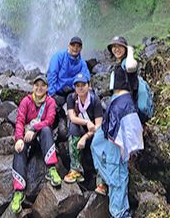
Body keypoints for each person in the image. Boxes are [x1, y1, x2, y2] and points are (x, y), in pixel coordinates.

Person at [91, 36, 144, 217]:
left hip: (124, 109)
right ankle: (110, 180)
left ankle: (120, 212)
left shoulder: (128, 63)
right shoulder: (116, 66)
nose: (116, 49)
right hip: (114, 107)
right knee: (96, 144)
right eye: (113, 47)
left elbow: (131, 67)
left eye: (119, 46)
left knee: (117, 160)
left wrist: (130, 50)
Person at [10, 74, 61, 213]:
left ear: (47, 88)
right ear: (33, 87)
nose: (39, 88)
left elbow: (49, 120)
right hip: (27, 136)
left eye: (42, 85)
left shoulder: (50, 102)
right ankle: (19, 191)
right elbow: (20, 120)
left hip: (41, 136)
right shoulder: (26, 101)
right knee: (19, 149)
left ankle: (51, 169)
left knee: (45, 129)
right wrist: (19, 138)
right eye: (36, 85)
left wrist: (33, 128)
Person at [63, 72, 106, 194]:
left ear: (89, 85)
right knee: (72, 127)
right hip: (84, 128)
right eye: (78, 85)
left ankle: (102, 182)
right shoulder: (72, 98)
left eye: (83, 85)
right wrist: (87, 122)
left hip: (95, 132)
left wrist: (86, 137)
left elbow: (98, 125)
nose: (80, 88)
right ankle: (75, 169)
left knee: (99, 144)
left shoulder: (95, 100)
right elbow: (72, 117)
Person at [47, 36, 90, 108]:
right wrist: (52, 94)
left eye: (78, 46)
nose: (75, 48)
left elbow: (86, 78)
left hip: (73, 91)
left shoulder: (82, 63)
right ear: (69, 46)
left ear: (81, 48)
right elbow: (52, 74)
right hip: (57, 91)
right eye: (73, 45)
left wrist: (74, 88)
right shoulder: (58, 57)